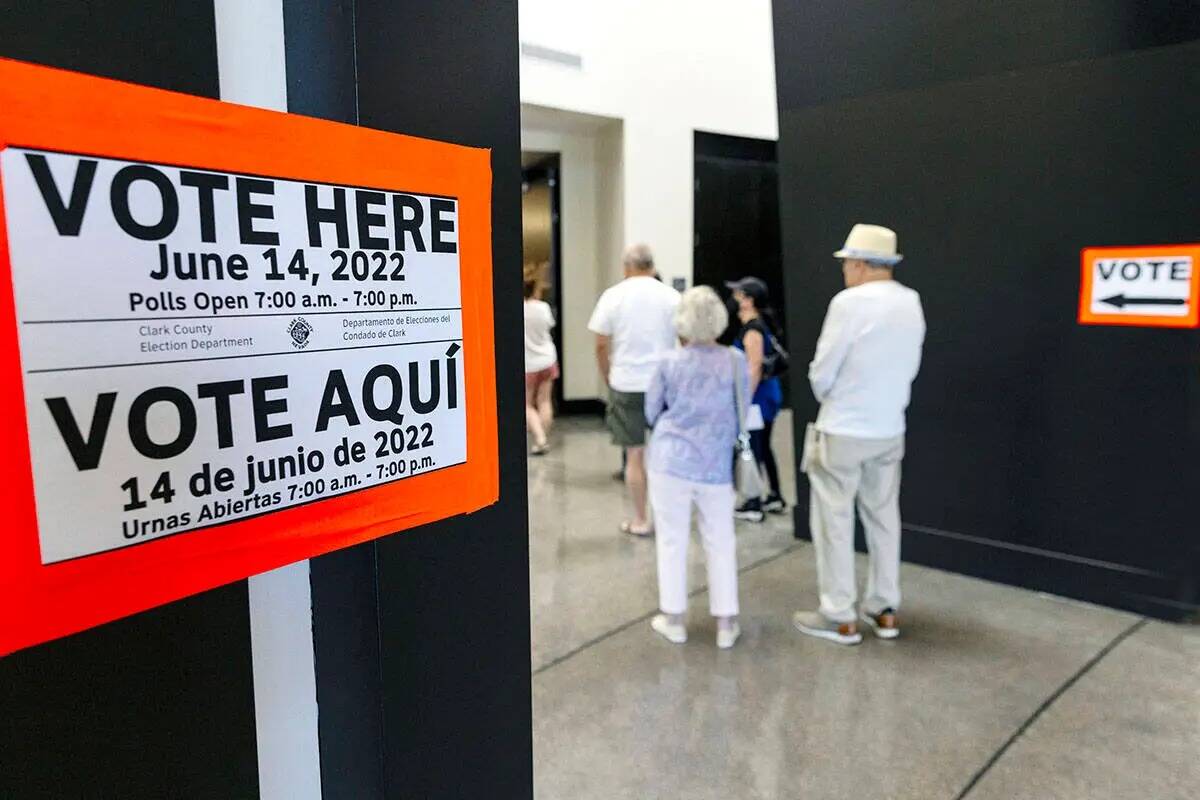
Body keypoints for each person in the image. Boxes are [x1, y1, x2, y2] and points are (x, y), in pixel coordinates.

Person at [793, 224, 925, 646]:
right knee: (884, 517)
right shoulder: (911, 301)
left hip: (844, 429)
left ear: (861, 264)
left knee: (834, 520)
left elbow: (822, 371)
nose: (845, 271)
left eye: (847, 264)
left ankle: (838, 614)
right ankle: (884, 608)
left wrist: (832, 394)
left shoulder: (848, 303)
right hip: (889, 427)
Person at [644, 286, 747, 648]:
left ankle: (673, 620)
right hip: (716, 464)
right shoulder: (735, 360)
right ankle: (726, 623)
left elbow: (651, 411)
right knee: (720, 540)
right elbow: (742, 408)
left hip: (670, 461)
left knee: (672, 540)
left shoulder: (668, 361)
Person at [588, 244, 681, 536]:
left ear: (626, 267)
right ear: (652, 266)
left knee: (635, 456)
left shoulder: (613, 296)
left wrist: (608, 376)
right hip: (664, 384)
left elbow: (601, 344)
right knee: (667, 453)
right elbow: (687, 339)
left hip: (626, 382)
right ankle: (669, 519)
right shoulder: (672, 297)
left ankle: (641, 520)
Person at [726, 276, 786, 522]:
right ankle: (774, 495)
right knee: (764, 446)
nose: (735, 300)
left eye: (739, 295)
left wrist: (744, 401)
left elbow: (753, 367)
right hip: (768, 394)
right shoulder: (762, 324)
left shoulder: (753, 329)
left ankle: (753, 501)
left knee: (752, 447)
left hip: (758, 398)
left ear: (749, 300)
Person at [523, 274, 558, 455]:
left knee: (527, 404)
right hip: (547, 359)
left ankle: (539, 438)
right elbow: (549, 326)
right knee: (545, 401)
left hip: (528, 362)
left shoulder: (518, 309)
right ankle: (542, 438)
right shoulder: (543, 308)